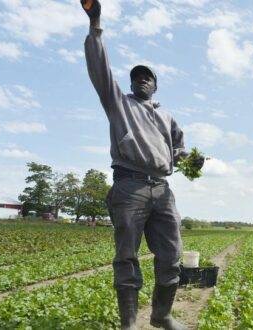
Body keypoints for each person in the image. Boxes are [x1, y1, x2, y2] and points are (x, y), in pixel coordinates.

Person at [81, 1, 203, 329]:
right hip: (130, 186)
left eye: (148, 78)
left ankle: (162, 315)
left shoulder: (166, 116)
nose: (142, 80)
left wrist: (192, 159)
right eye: (137, 77)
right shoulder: (119, 104)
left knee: (172, 255)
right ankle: (128, 324)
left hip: (163, 189)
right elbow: (100, 69)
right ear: (131, 83)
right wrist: (96, 26)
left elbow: (179, 150)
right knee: (127, 255)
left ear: (156, 85)